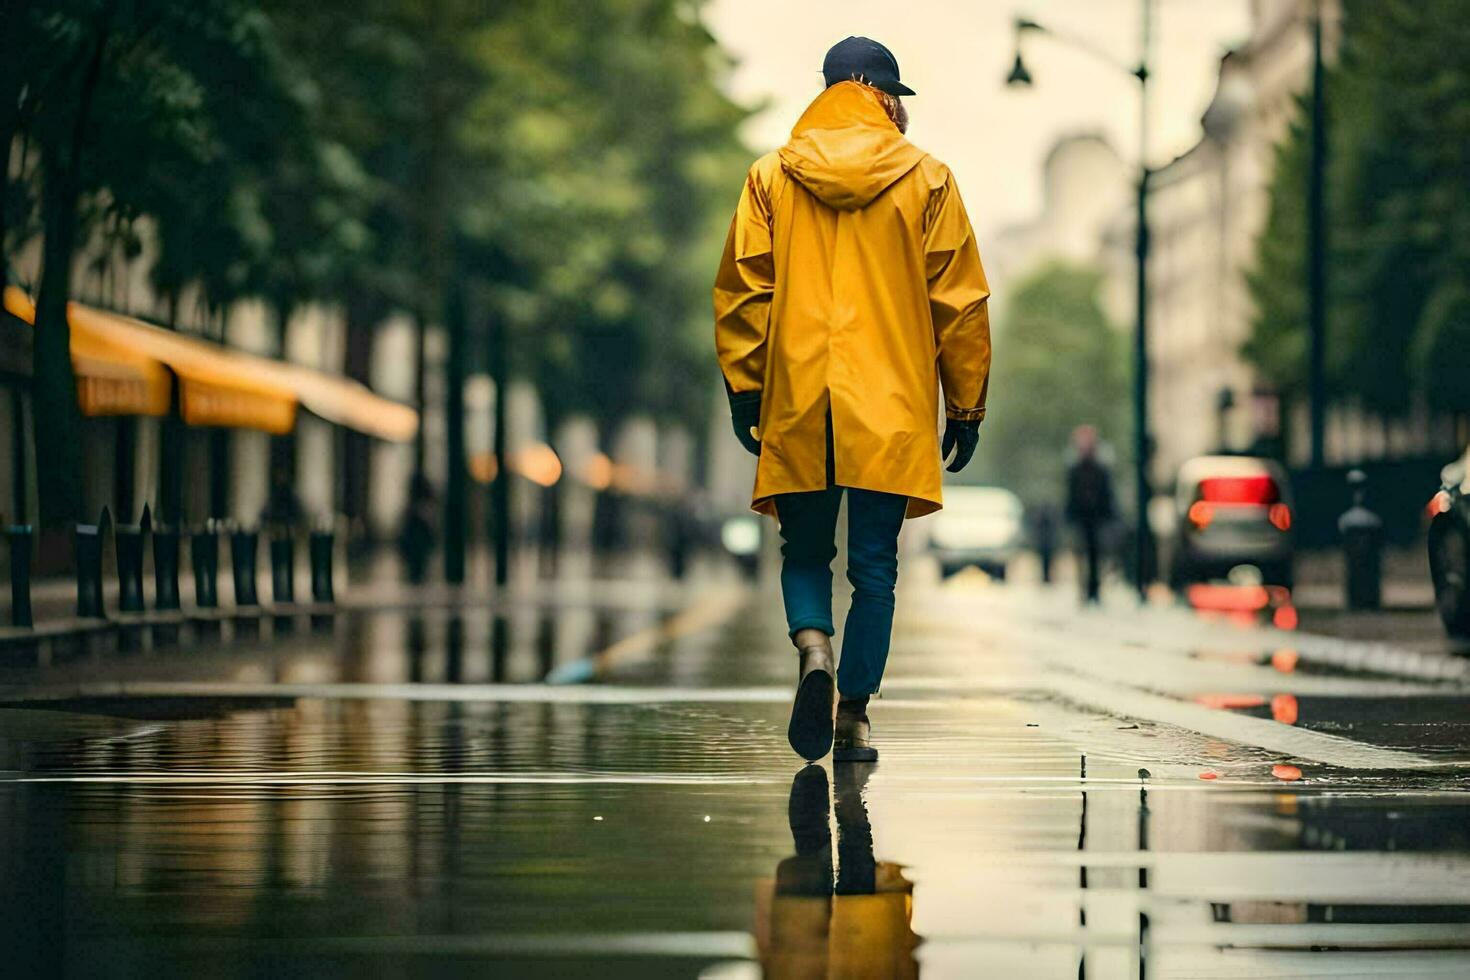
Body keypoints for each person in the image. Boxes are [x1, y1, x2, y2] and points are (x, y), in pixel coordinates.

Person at [714, 37, 992, 762]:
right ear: (880, 92)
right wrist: (965, 404)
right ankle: (854, 715)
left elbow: (745, 290)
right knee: (875, 570)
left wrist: (747, 386)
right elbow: (958, 301)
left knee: (804, 549)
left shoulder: (770, 177)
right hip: (891, 407)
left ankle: (813, 650)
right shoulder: (927, 179)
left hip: (802, 395)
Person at [1064, 425, 1115, 604]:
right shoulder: (1074, 468)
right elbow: (1070, 494)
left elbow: (1107, 494)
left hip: (1097, 517)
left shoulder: (1101, 468)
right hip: (1081, 517)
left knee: (1097, 555)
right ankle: (1085, 591)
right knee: (1081, 554)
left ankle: (1095, 591)